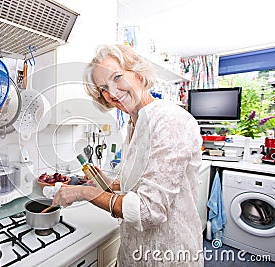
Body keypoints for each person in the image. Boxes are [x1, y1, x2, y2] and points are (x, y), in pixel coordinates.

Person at [52, 44, 203, 266]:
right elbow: (140, 183)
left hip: (168, 255)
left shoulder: (169, 120)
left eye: (117, 77)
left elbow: (148, 210)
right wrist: (108, 183)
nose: (112, 93)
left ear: (139, 74)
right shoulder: (134, 125)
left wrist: (84, 192)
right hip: (134, 254)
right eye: (103, 87)